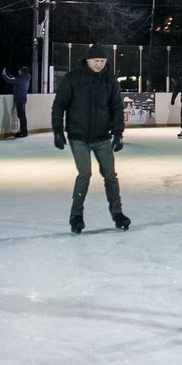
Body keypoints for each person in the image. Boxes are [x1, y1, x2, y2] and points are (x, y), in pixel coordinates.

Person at [51, 45, 130, 235]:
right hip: (78, 136)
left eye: (102, 62)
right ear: (87, 60)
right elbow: (59, 104)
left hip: (102, 136)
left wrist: (118, 133)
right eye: (96, 61)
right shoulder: (73, 78)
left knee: (110, 175)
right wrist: (58, 131)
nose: (99, 65)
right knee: (85, 174)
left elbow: (117, 108)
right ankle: (76, 215)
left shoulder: (110, 81)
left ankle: (117, 212)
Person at [2, 66, 31, 137]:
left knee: (21, 116)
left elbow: (10, 81)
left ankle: (23, 131)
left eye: (19, 70)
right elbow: (15, 80)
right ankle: (23, 130)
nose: (18, 71)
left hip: (20, 99)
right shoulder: (25, 78)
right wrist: (10, 75)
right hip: (22, 98)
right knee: (22, 116)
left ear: (22, 71)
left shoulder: (22, 78)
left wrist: (3, 74)